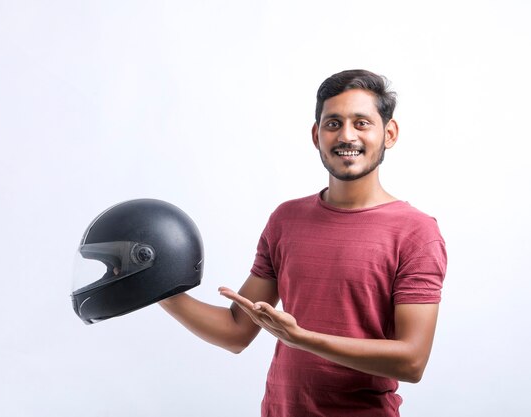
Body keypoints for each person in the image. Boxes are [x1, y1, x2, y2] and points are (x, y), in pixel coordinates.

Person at [159, 69, 447, 417]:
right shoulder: (286, 220)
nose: (346, 135)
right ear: (316, 135)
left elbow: (412, 361)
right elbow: (236, 332)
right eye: (333, 123)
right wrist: (156, 289)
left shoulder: (416, 231)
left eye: (361, 123)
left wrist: (302, 338)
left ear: (389, 133)